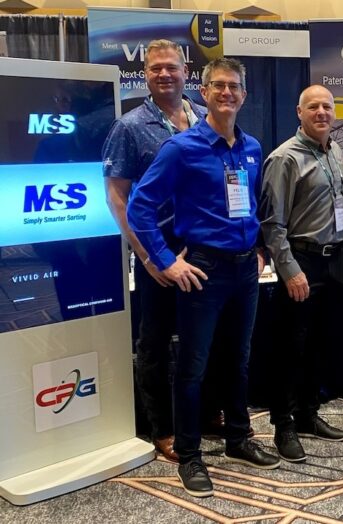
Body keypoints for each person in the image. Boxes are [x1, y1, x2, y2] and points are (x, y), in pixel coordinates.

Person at [127, 57, 280, 498]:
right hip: (203, 271)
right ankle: (191, 455)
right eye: (219, 86)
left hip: (244, 270)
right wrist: (164, 261)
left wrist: (259, 250)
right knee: (192, 366)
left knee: (239, 358)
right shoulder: (182, 147)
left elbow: (252, 206)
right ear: (206, 92)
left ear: (244, 96)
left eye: (235, 86)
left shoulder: (250, 146)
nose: (227, 93)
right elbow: (140, 206)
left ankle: (238, 437)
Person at [103, 39, 206, 462]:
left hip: (202, 250)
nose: (164, 74)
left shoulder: (204, 118)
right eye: (155, 68)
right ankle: (162, 428)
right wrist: (148, 257)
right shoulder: (129, 127)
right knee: (156, 343)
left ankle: (206, 414)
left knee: (203, 339)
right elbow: (117, 197)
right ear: (144, 74)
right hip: (157, 256)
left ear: (186, 72)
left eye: (171, 67)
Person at [260, 85, 343, 464]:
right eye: (313, 107)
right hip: (301, 261)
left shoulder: (336, 151)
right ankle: (283, 423)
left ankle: (309, 414)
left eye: (327, 107)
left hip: (334, 260)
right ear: (299, 112)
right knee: (290, 348)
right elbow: (272, 223)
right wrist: (290, 270)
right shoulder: (285, 158)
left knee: (321, 343)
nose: (321, 113)